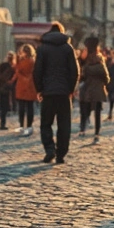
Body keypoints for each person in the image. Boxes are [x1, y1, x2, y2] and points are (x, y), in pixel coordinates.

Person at [33, 22, 79, 164]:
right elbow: (75, 72)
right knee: (64, 124)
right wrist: (71, 89)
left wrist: (39, 89)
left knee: (46, 123)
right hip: (64, 92)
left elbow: (37, 71)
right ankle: (61, 154)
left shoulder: (42, 49)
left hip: (48, 92)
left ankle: (49, 149)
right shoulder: (68, 48)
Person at [77, 37, 109, 143]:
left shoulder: (84, 60)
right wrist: (104, 83)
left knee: (84, 110)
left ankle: (82, 129)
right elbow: (106, 77)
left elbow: (81, 75)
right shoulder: (100, 59)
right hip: (98, 90)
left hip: (86, 89)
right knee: (97, 113)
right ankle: (96, 133)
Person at [14, 44, 37, 135]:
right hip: (29, 85)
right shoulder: (33, 61)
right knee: (28, 106)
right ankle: (28, 126)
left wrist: (17, 59)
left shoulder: (26, 61)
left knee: (23, 107)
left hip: (24, 85)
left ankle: (23, 126)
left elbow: (18, 70)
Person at [0, 51, 16, 131]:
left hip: (2, 88)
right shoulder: (11, 67)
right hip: (7, 87)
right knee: (5, 107)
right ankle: (3, 123)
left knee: (3, 107)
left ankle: (2, 123)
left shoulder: (2, 65)